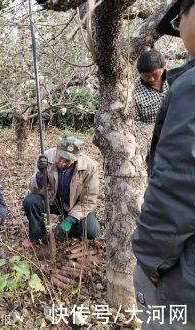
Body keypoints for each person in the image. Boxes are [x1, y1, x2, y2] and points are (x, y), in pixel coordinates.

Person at [132, 0, 195, 326]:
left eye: (180, 16)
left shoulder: (186, 85)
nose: (178, 26)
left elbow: (180, 185)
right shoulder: (136, 92)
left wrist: (149, 258)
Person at [22, 135, 101, 248]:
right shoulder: (45, 158)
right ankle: (38, 235)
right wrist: (39, 175)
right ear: (57, 147)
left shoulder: (90, 167)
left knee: (92, 232)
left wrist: (71, 219)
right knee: (31, 201)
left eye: (68, 160)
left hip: (75, 205)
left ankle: (68, 227)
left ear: (77, 157)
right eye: (61, 157)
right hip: (52, 201)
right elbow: (33, 189)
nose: (63, 162)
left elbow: (89, 200)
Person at [134, 49, 169, 125]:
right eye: (145, 76)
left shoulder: (174, 78)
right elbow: (135, 124)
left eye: (155, 74)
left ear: (164, 67)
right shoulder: (133, 93)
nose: (151, 79)